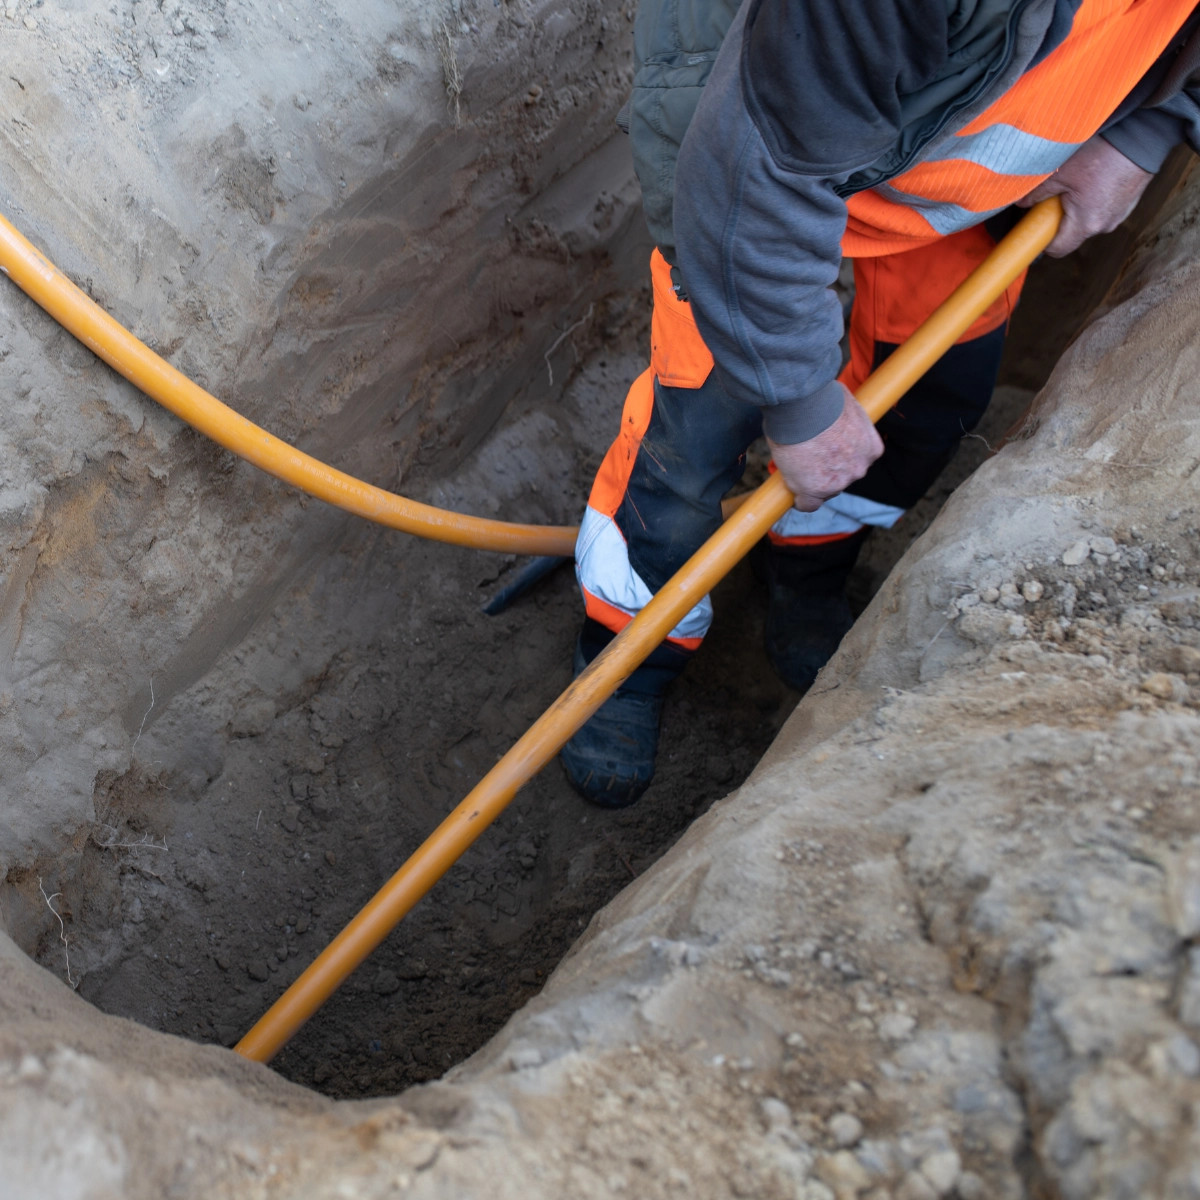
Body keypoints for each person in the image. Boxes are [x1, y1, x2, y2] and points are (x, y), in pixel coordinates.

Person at [561, 0, 1200, 808]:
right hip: (750, 166)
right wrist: (800, 403)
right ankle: (627, 654)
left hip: (955, 150)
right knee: (693, 438)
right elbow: (755, 177)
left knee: (930, 396)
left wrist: (1145, 128)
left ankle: (808, 568)